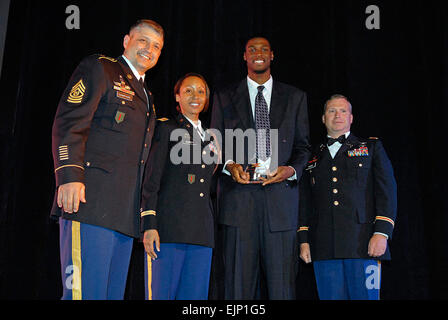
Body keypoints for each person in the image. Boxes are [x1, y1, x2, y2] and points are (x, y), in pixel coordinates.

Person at [51, 19, 164, 300]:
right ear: (126, 40)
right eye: (143, 41)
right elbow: (69, 123)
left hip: (123, 216)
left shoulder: (147, 95)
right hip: (89, 202)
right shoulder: (101, 68)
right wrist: (69, 176)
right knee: (82, 295)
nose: (149, 49)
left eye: (156, 46)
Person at [210, 36, 311, 299]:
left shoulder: (295, 97)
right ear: (244, 56)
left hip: (280, 206)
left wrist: (289, 170)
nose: (258, 53)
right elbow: (214, 146)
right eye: (252, 49)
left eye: (264, 49)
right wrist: (230, 165)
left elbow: (303, 147)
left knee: (282, 289)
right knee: (238, 289)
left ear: (272, 55)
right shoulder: (223, 97)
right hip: (238, 205)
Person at [298, 94, 397, 300]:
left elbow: (386, 193)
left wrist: (382, 233)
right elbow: (305, 202)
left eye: (343, 111)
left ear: (351, 118)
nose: (337, 115)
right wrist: (304, 239)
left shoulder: (371, 148)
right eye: (332, 111)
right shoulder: (312, 156)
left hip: (362, 244)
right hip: (324, 246)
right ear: (323, 118)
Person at [141, 73, 218, 300]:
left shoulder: (212, 139)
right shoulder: (166, 129)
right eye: (188, 91)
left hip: (201, 233)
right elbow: (151, 180)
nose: (195, 96)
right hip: (168, 230)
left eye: (201, 91)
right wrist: (149, 224)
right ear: (177, 96)